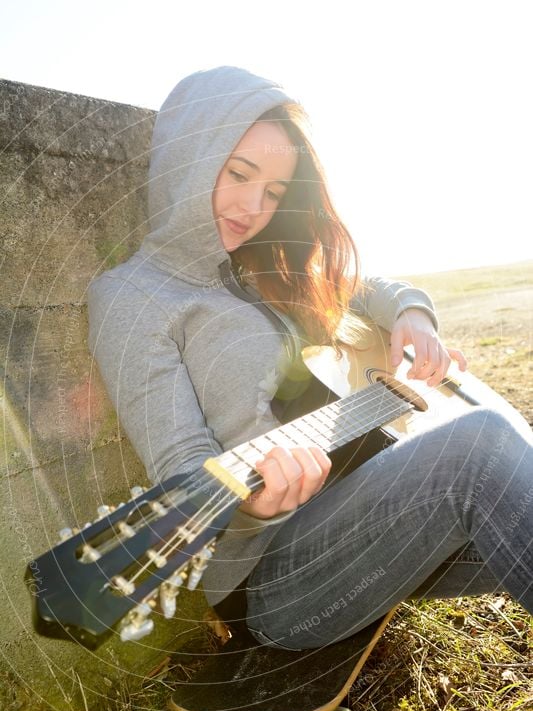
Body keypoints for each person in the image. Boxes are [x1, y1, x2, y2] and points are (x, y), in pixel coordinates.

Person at [87, 66, 533, 650]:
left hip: (358, 518)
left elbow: (363, 284)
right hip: (273, 583)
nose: (253, 206)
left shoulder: (256, 261)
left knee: (511, 489)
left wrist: (412, 315)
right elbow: (182, 476)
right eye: (238, 174)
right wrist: (258, 505)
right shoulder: (132, 295)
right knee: (482, 445)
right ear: (187, 159)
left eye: (274, 192)